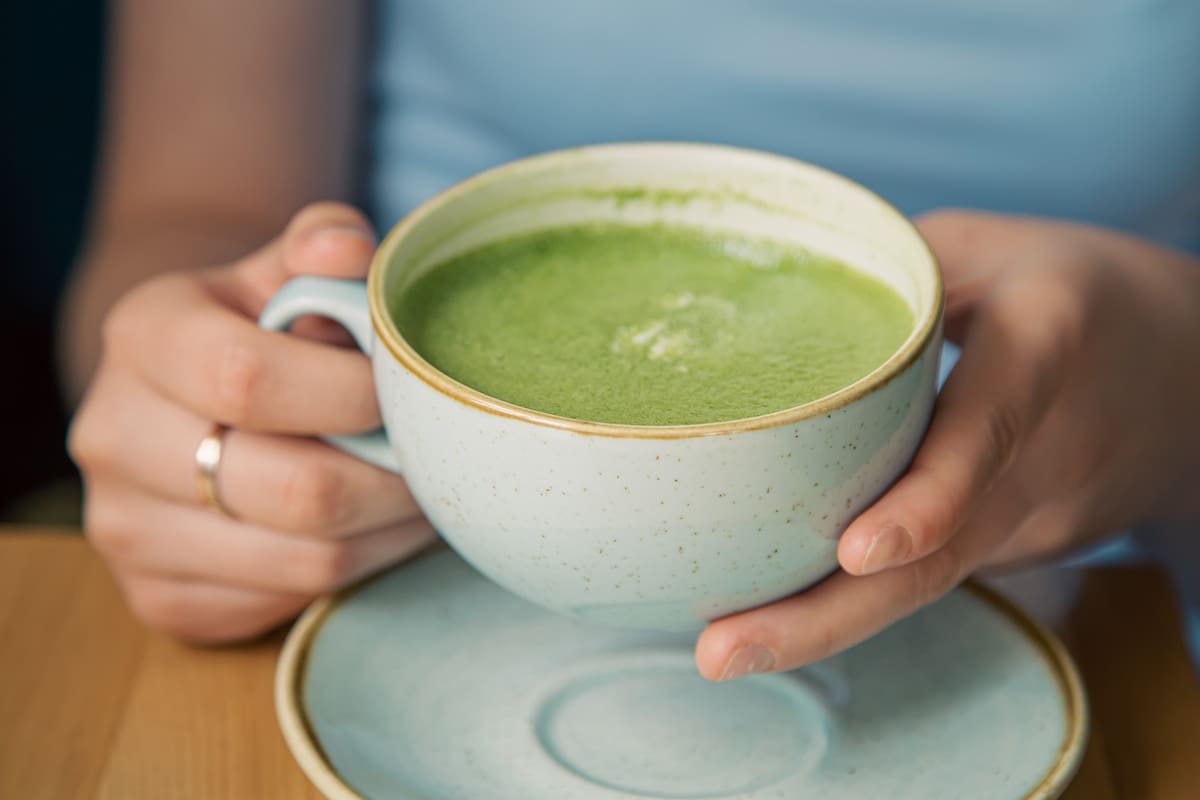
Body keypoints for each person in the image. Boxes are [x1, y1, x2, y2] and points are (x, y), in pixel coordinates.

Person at [65, 1, 1200, 679]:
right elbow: (189, 213)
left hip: (1110, 615)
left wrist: (1180, 384)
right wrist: (210, 407)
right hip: (391, 577)